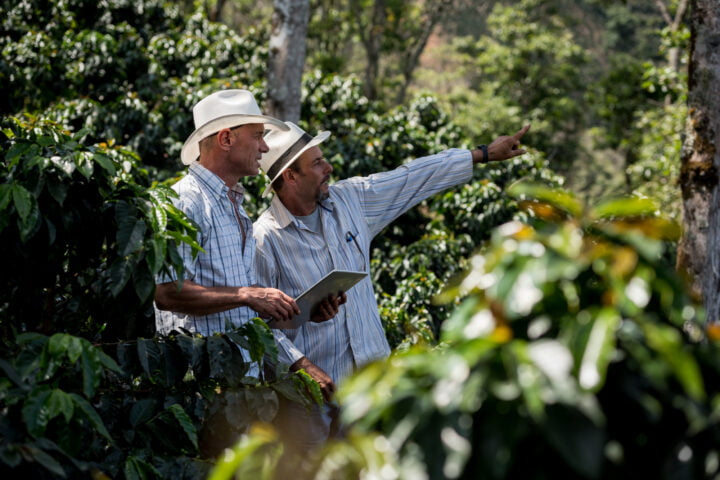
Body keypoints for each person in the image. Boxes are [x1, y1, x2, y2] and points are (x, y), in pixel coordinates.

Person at [253, 120, 531, 451]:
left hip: (371, 387)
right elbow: (257, 328)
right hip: (309, 400)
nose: (329, 167)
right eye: (316, 163)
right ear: (290, 176)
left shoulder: (351, 202)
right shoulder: (265, 239)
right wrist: (302, 365)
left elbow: (411, 177)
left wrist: (482, 154)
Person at [153, 89, 312, 456]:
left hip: (240, 388)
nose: (263, 148)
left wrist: (288, 308)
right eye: (257, 136)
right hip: (202, 385)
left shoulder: (235, 205)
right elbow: (166, 290)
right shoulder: (186, 200)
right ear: (226, 139)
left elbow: (238, 303)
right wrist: (246, 295)